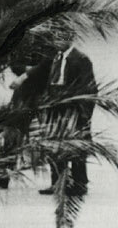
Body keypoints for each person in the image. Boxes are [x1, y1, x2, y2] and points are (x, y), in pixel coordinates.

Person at [41, 44, 96, 196]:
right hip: (55, 106)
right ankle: (58, 182)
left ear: (69, 37)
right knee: (55, 144)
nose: (57, 40)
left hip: (72, 108)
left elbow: (89, 88)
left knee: (75, 145)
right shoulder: (57, 57)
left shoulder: (81, 59)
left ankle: (79, 183)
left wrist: (83, 114)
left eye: (61, 36)